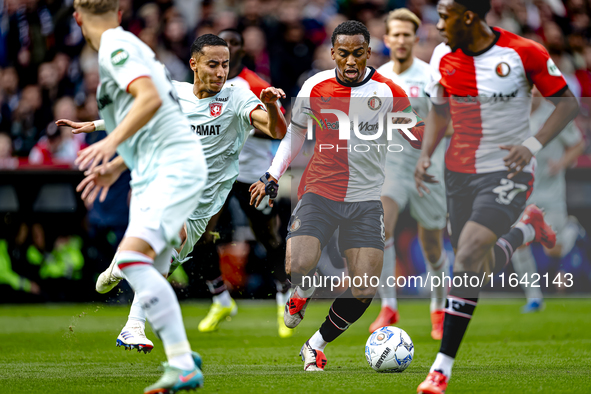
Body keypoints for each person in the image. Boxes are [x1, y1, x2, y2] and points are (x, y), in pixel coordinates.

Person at [413, 1, 579, 393]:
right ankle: (525, 231)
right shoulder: (442, 56)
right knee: (477, 266)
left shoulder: (523, 52)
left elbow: (568, 104)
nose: (437, 26)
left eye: (444, 17)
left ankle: (441, 368)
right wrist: (425, 156)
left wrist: (533, 144)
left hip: (508, 170)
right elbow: (439, 110)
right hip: (458, 173)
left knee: (467, 254)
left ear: (468, 16)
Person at [85, 34, 286, 349]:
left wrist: (272, 107)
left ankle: (121, 263)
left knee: (164, 260)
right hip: (169, 184)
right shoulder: (174, 93)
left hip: (204, 205)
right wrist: (97, 126)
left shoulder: (238, 96)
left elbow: (277, 130)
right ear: (193, 64)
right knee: (169, 240)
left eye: (225, 65)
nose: (221, 72)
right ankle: (133, 326)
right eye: (213, 64)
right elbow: (141, 119)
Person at [250, 20, 425, 371]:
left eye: (358, 54)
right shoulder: (314, 86)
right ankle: (301, 292)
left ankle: (315, 345)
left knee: (364, 287)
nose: (350, 61)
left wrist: (420, 134)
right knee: (298, 265)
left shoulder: (389, 92)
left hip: (365, 199)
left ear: (368, 53)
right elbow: (295, 134)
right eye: (343, 53)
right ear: (332, 53)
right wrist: (272, 174)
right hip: (320, 192)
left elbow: (417, 134)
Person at [63, 1, 209, 392]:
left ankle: (180, 362)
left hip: (171, 168)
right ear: (120, 11)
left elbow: (150, 99)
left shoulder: (114, 46)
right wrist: (116, 165)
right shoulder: (130, 47)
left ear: (77, 18)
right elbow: (157, 116)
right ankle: (180, 360)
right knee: (148, 272)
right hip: (155, 170)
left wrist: (107, 143)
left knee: (130, 260)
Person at [185, 28, 292, 338]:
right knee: (201, 236)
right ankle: (220, 299)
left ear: (241, 52)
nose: (226, 52)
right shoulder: (202, 84)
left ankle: (284, 298)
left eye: (232, 47)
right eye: (221, 47)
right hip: (217, 175)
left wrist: (240, 119)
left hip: (251, 175)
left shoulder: (252, 84)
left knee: (268, 236)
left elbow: (280, 128)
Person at [370, 8, 449, 340]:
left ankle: (439, 304)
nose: (401, 40)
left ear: (415, 39)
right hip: (394, 166)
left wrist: (427, 154)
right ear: (386, 40)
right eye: (395, 34)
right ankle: (388, 305)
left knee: (431, 244)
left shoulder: (431, 76)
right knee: (380, 225)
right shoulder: (376, 79)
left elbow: (448, 120)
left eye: (407, 34)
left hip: (429, 167)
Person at [512, 87, 585, 313]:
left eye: (535, 88)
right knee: (517, 243)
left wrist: (561, 163)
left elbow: (578, 144)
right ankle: (534, 297)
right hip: (520, 193)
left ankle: (572, 230)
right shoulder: (513, 116)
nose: (531, 92)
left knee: (553, 249)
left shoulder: (554, 115)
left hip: (549, 192)